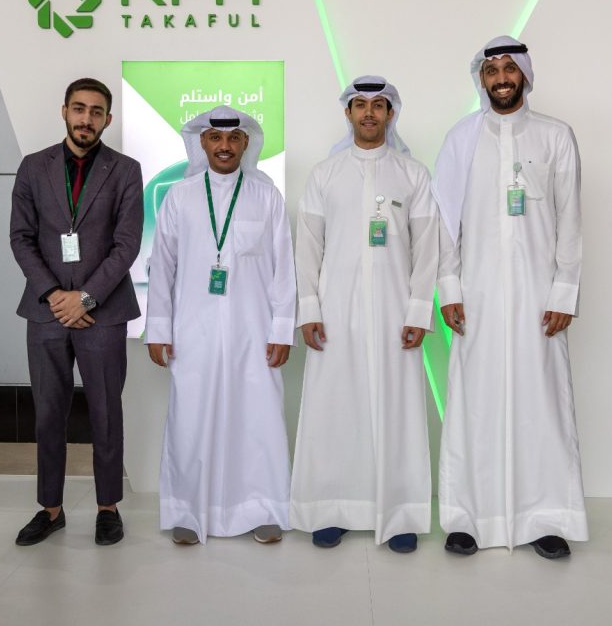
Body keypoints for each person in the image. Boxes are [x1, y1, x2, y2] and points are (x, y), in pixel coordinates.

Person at [432, 36, 587, 560]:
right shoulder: (461, 138)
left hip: (539, 301)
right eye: (492, 70)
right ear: (482, 79)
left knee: (541, 404)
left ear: (524, 74)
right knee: (474, 404)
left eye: (509, 68)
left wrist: (564, 291)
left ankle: (545, 518)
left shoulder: (555, 136)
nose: (501, 78)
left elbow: (570, 220)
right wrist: (449, 288)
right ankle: (466, 518)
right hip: (476, 297)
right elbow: (443, 222)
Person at [290, 76, 439, 554]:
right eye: (360, 105)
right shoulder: (325, 175)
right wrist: (309, 309)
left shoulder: (413, 175)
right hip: (335, 313)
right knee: (335, 410)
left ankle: (399, 514)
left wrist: (419, 310)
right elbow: (307, 248)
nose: (369, 113)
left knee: (398, 411)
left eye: (378, 105)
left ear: (391, 114)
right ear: (348, 113)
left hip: (397, 315)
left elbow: (428, 250)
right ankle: (332, 509)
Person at [145, 106, 295, 546]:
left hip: (254, 331)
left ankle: (262, 508)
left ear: (246, 142)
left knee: (257, 419)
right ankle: (188, 511)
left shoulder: (267, 196)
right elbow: (163, 267)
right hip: (193, 331)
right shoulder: (180, 197)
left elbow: (284, 269)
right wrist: (159, 329)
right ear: (202, 143)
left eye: (233, 138)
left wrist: (282, 330)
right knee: (192, 418)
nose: (224, 146)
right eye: (215, 138)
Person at [10, 77, 143, 547]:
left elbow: (126, 245)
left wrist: (85, 298)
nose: (87, 118)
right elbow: (21, 238)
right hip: (46, 313)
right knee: (48, 414)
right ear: (64, 111)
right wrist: (54, 295)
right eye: (79, 109)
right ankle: (50, 508)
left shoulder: (125, 170)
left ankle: (108, 507)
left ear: (108, 119)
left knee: (106, 411)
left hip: (103, 313)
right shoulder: (33, 167)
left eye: (96, 111)